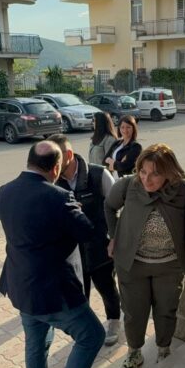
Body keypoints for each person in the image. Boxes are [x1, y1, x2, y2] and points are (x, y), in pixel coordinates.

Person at [0, 141, 105, 368]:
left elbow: (5, 216)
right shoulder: (60, 198)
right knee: (92, 336)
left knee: (36, 343)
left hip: (20, 285)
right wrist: (77, 209)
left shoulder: (4, 192)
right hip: (53, 290)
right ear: (56, 168)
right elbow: (88, 233)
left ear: (29, 161)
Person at [105, 144, 185, 368]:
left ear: (169, 172)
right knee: (134, 312)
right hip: (132, 265)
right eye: (143, 172)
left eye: (155, 173)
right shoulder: (128, 185)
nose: (147, 179)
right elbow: (109, 206)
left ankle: (163, 349)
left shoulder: (184, 191)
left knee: (166, 310)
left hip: (169, 265)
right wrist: (113, 236)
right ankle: (134, 352)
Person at [51, 134, 121, 347]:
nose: (53, 164)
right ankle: (86, 330)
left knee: (107, 287)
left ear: (69, 155)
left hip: (100, 246)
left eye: (57, 158)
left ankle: (114, 321)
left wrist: (114, 239)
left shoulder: (99, 175)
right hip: (72, 252)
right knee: (80, 293)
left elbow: (116, 207)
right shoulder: (54, 181)